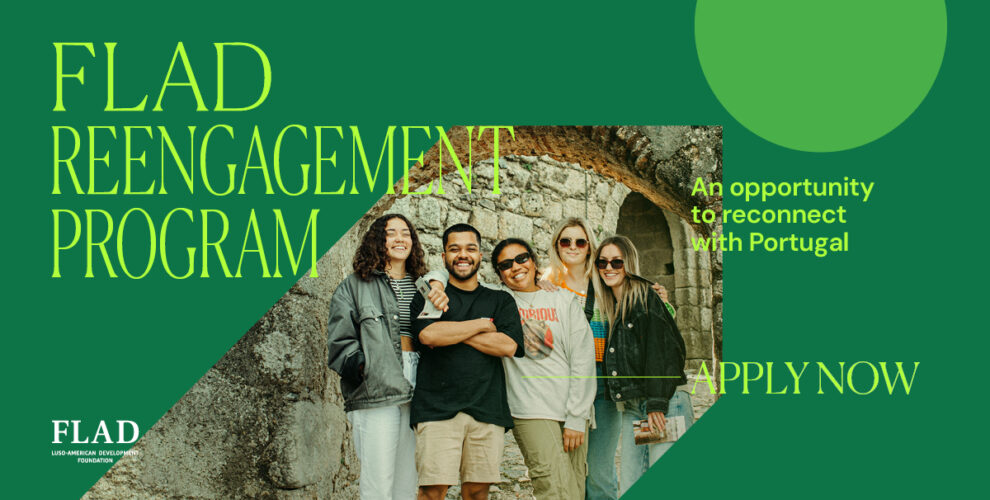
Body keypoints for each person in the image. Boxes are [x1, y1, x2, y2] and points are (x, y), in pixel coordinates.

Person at [543, 218, 674, 499]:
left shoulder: (604, 280)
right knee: (566, 470)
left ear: (590, 246)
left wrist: (661, 301)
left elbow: (649, 321)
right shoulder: (545, 285)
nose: (573, 247)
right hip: (561, 386)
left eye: (580, 241)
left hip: (605, 383)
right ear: (556, 245)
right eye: (565, 241)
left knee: (600, 471)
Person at [326, 214, 449, 500]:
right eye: (390, 233)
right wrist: (364, 368)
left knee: (408, 480)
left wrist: (438, 280)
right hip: (377, 383)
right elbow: (340, 341)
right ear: (377, 241)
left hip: (420, 385)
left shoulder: (423, 285)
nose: (399, 239)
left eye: (405, 233)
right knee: (378, 482)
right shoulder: (354, 286)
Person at [409, 223, 524, 500]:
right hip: (436, 409)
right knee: (432, 492)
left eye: (470, 248)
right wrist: (482, 325)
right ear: (444, 256)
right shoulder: (432, 295)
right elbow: (427, 335)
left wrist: (452, 330)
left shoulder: (500, 300)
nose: (463, 255)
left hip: (486, 407)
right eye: (455, 249)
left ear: (480, 255)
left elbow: (508, 345)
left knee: (476, 493)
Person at [492, 238, 596, 500]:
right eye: (505, 264)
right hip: (530, 409)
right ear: (500, 275)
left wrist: (576, 416)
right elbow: (455, 278)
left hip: (572, 410)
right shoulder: (497, 303)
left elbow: (582, 358)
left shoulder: (563, 299)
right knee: (551, 486)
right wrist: (436, 279)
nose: (515, 267)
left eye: (521, 258)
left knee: (574, 488)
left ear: (534, 261)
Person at [592, 235, 693, 496]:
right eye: (602, 262)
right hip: (635, 406)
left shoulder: (646, 298)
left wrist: (657, 402)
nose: (609, 268)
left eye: (617, 262)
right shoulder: (613, 304)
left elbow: (667, 350)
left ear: (630, 264)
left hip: (665, 403)